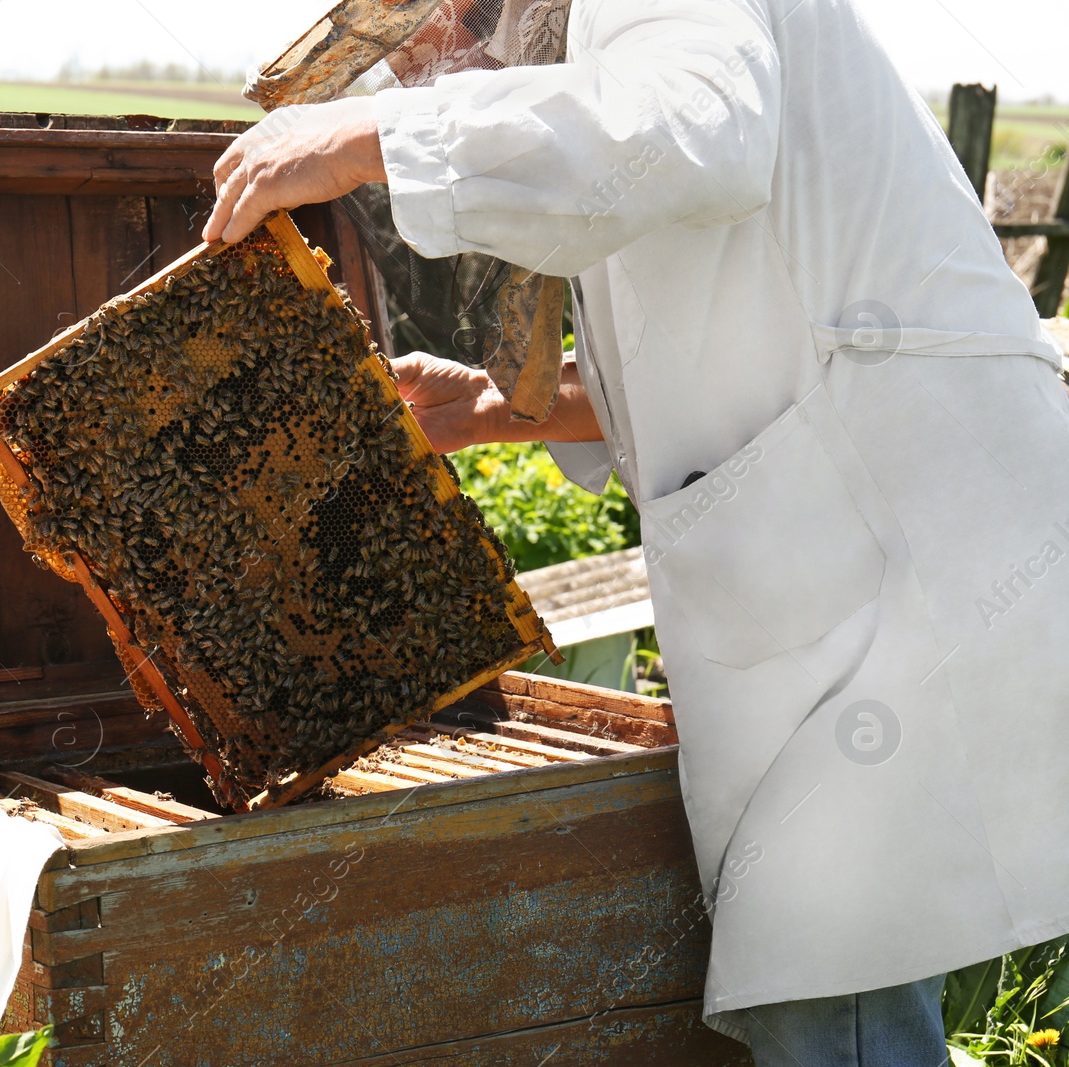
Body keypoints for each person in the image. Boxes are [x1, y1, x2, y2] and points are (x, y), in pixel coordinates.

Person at [203, 0, 1069, 1062]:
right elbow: (719, 338)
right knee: (835, 994)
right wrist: (495, 406)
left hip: (901, 555)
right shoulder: (618, 52)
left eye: (432, 50)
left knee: (832, 998)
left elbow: (696, 132)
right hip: (865, 550)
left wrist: (359, 142)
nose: (431, 80)